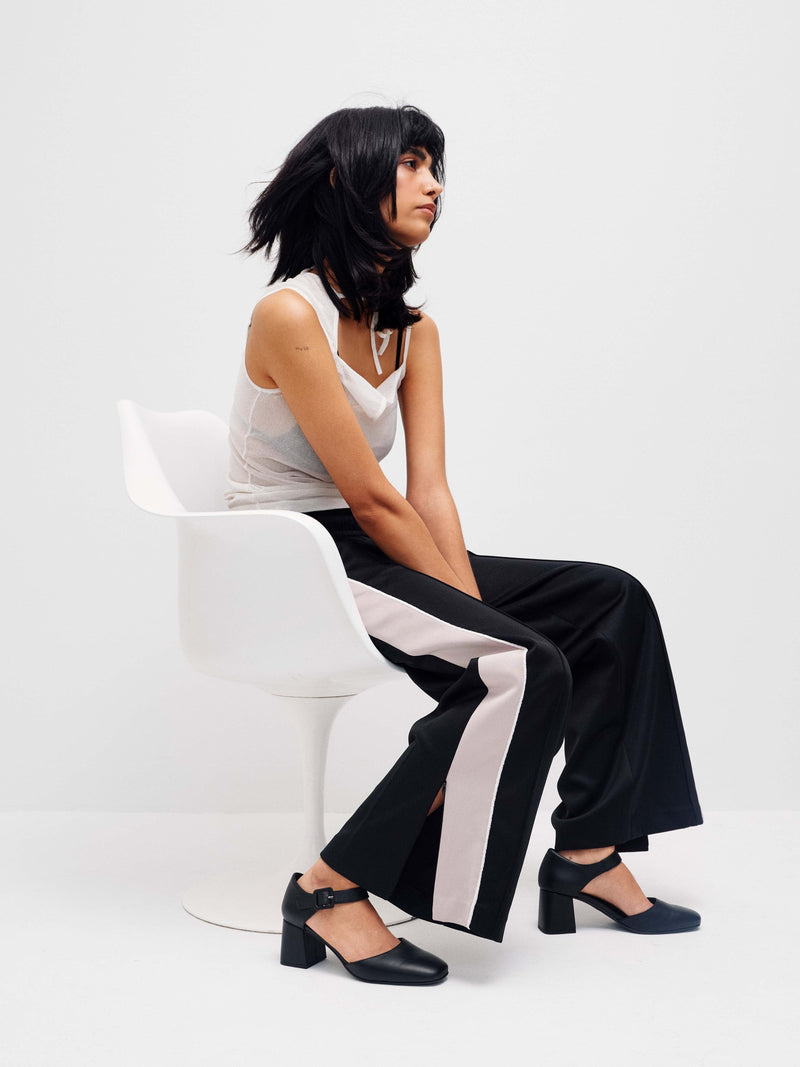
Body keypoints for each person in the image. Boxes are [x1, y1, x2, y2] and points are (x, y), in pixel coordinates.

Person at [226, 104, 704, 986]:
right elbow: (367, 499)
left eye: (435, 166)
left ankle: (589, 852)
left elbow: (426, 490)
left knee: (612, 600)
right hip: (293, 557)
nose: (435, 184)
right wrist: (488, 621)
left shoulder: (413, 329)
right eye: (411, 164)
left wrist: (477, 599)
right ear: (346, 180)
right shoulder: (287, 314)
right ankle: (329, 889)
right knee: (519, 665)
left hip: (372, 542)